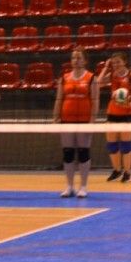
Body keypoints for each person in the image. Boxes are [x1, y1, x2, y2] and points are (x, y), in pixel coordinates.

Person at [52, 47, 100, 198]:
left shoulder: (91, 78)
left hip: (84, 120)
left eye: (79, 58)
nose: (76, 60)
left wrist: (92, 120)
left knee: (83, 152)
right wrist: (55, 117)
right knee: (68, 153)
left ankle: (83, 186)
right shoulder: (64, 78)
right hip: (67, 120)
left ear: (85, 61)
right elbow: (59, 99)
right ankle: (69, 186)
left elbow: (95, 100)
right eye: (73, 58)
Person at [97, 51, 131, 183]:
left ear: (125, 62)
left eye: (118, 62)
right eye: (113, 63)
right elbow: (97, 83)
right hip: (112, 113)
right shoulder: (112, 75)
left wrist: (129, 104)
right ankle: (117, 170)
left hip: (127, 114)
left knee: (125, 145)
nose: (116, 65)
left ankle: (127, 173)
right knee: (112, 144)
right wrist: (105, 68)